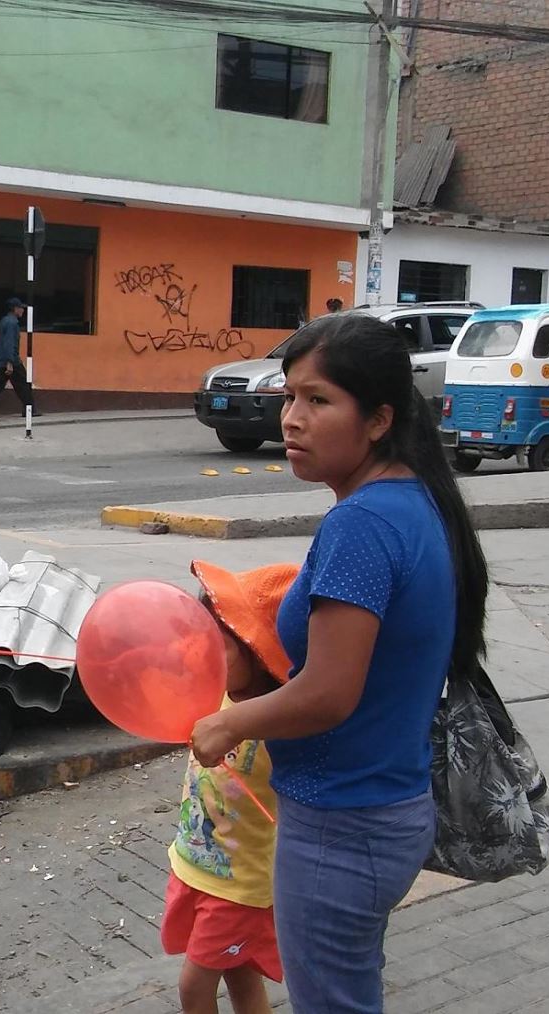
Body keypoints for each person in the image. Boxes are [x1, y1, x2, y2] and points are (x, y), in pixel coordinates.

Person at [189, 313, 489, 1014]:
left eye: (319, 401)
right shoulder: (416, 504)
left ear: (378, 418)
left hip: (342, 823)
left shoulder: (362, 524)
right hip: (385, 806)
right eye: (290, 396)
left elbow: (329, 694)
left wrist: (229, 725)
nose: (292, 418)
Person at [165, 560, 298, 1014]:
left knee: (194, 988)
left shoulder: (277, 723)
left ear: (256, 652)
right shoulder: (216, 696)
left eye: (217, 648)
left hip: (238, 888)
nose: (202, 655)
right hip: (196, 866)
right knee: (242, 978)